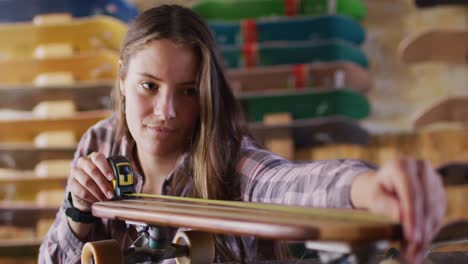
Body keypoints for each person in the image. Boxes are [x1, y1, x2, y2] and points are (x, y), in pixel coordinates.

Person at [38, 4, 446, 264]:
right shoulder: (99, 143)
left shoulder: (230, 159)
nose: (166, 112)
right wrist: (77, 212)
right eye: (149, 86)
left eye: (188, 91)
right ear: (123, 79)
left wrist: (369, 187)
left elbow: (286, 183)